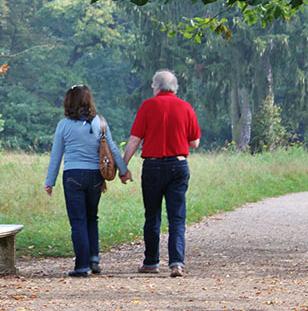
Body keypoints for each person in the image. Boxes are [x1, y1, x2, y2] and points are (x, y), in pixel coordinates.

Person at [122, 70, 201, 278]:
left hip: (153, 166)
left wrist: (123, 167)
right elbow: (195, 142)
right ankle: (176, 263)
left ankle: (151, 262)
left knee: (152, 216)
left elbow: (134, 139)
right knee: (177, 217)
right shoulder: (186, 107)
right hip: (178, 165)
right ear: (174, 87)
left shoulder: (148, 106)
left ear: (156, 87)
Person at [45, 85, 129, 277]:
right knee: (92, 218)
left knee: (78, 221)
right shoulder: (99, 123)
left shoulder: (64, 125)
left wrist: (50, 182)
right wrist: (123, 171)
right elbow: (113, 149)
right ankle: (94, 259)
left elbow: (56, 156)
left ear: (68, 102)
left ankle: (81, 266)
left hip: (73, 176)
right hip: (95, 176)